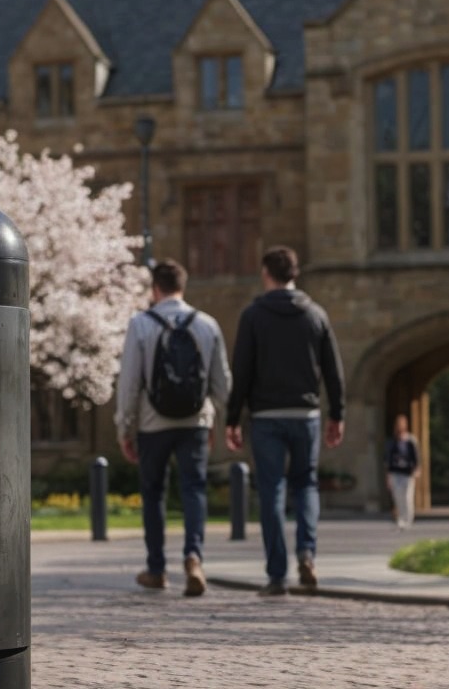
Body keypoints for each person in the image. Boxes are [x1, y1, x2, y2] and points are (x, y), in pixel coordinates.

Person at [225, 246, 346, 596]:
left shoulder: (253, 316)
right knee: (306, 485)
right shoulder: (316, 315)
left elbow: (242, 371)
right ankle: (307, 553)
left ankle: (277, 575)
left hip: (266, 417)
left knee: (272, 490)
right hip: (305, 414)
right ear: (296, 274)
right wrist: (337, 414)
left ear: (267, 274)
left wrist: (233, 419)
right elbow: (333, 372)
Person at [115, 259, 231, 596]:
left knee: (154, 494)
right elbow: (222, 382)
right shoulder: (207, 324)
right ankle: (194, 557)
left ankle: (156, 569)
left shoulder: (140, 323)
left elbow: (129, 382)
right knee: (194, 489)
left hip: (153, 425)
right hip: (195, 422)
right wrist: (219, 418)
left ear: (155, 288)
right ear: (183, 285)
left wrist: (125, 427)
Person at [386, 415, 420, 529]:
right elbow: (389, 459)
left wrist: (416, 469)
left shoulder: (411, 440)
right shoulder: (393, 441)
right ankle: (400, 518)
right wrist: (388, 476)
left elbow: (416, 457)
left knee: (407, 497)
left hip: (407, 473)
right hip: (396, 473)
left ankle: (408, 518)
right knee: (398, 497)